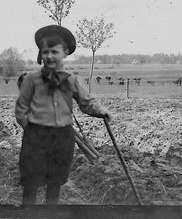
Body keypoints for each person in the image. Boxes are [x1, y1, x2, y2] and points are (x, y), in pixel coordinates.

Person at [15, 24, 111, 205]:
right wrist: (31, 128)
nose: (49, 56)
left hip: (62, 137)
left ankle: (51, 212)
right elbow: (21, 108)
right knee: (31, 181)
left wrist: (100, 111)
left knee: (55, 181)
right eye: (45, 52)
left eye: (54, 51)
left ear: (65, 53)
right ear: (41, 54)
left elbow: (86, 102)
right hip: (36, 137)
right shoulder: (31, 80)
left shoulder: (71, 80)